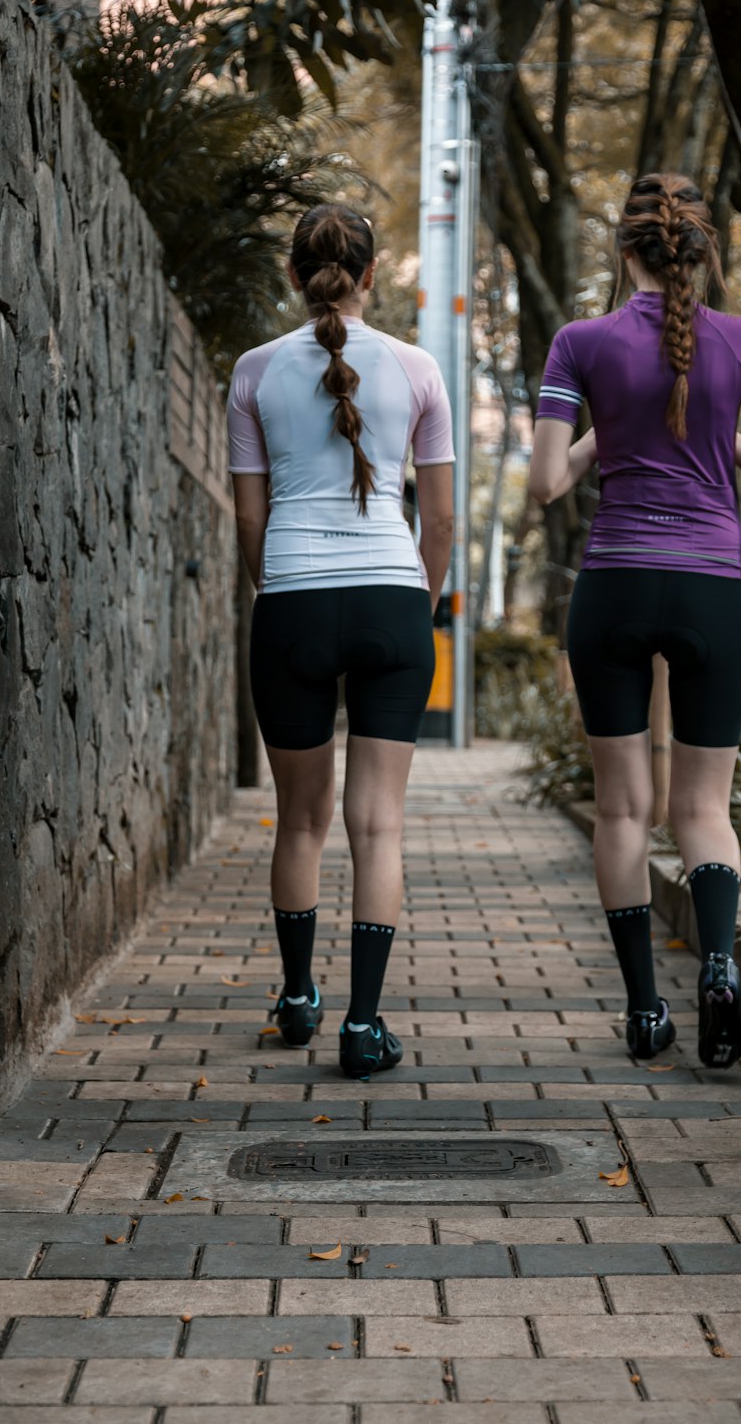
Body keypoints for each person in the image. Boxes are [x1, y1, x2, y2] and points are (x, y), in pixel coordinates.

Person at [529, 172, 741, 1066]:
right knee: (702, 807)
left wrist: (613, 427)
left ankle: (645, 1008)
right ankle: (720, 964)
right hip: (711, 591)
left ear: (625, 249)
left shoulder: (580, 342)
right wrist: (713, 423)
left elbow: (545, 484)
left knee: (624, 809)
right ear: (704, 248)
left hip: (612, 586)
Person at [227, 204, 455, 1080]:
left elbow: (251, 516)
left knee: (301, 820)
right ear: (371, 275)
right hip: (394, 599)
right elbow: (436, 516)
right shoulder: (418, 368)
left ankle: (295, 999)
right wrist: (417, 607)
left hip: (291, 599)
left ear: (295, 276)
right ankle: (364, 1024)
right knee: (379, 825)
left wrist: (276, 590)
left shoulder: (253, 372)